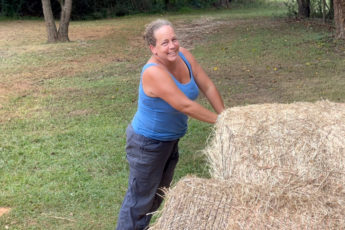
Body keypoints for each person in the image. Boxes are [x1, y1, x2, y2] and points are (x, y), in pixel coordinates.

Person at [116, 19, 224, 230]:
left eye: (174, 39)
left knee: (156, 196)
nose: (172, 45)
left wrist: (225, 115)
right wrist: (222, 122)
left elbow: (208, 86)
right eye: (164, 43)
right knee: (139, 201)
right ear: (153, 48)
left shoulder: (185, 56)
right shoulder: (153, 72)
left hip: (169, 140)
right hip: (147, 144)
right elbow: (185, 105)